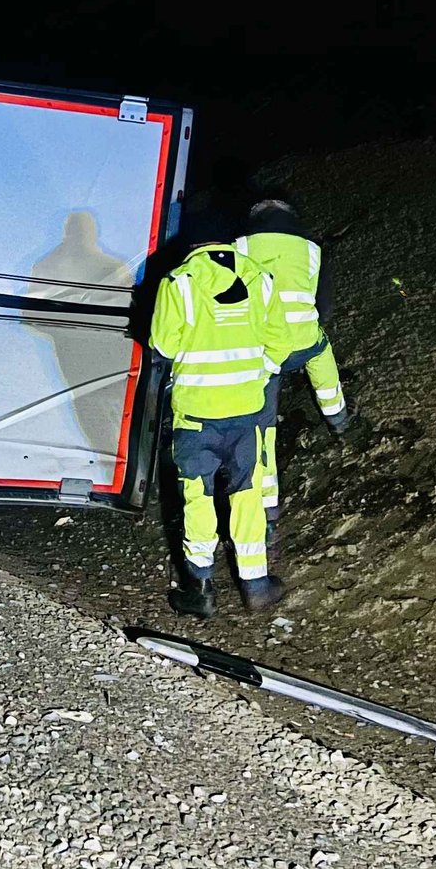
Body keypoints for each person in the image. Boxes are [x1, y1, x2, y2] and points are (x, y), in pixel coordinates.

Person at [149, 241, 286, 616]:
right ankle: (256, 586)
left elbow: (162, 344)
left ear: (195, 249)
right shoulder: (260, 277)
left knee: (198, 498)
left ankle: (202, 590)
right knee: (247, 495)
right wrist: (255, 376)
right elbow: (280, 345)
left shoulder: (178, 283)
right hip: (246, 412)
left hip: (195, 416)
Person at [237, 197, 352, 541]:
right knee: (322, 352)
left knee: (262, 427)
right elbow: (325, 306)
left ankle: (268, 513)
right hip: (303, 343)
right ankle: (341, 424)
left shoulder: (239, 247)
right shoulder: (312, 249)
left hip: (261, 352)